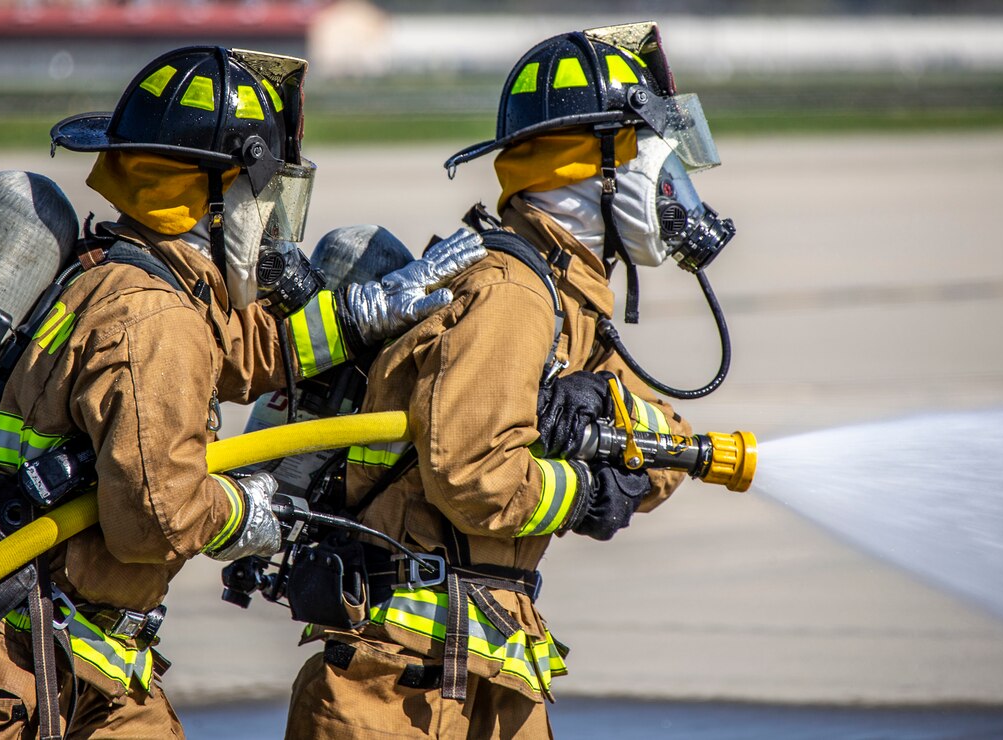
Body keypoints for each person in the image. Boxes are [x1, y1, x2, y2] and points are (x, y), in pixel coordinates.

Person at [0, 45, 483, 738]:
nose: (272, 222)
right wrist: (246, 512)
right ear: (217, 193)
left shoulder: (126, 272)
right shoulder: (154, 318)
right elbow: (153, 520)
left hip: (86, 662)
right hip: (4, 676)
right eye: (265, 194)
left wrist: (357, 313)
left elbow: (242, 352)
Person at [284, 22, 741, 738]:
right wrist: (588, 484)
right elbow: (473, 481)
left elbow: (670, 441)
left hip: (482, 668)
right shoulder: (511, 294)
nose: (679, 199)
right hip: (404, 690)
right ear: (600, 171)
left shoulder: (565, 299)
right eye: (665, 169)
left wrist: (603, 436)